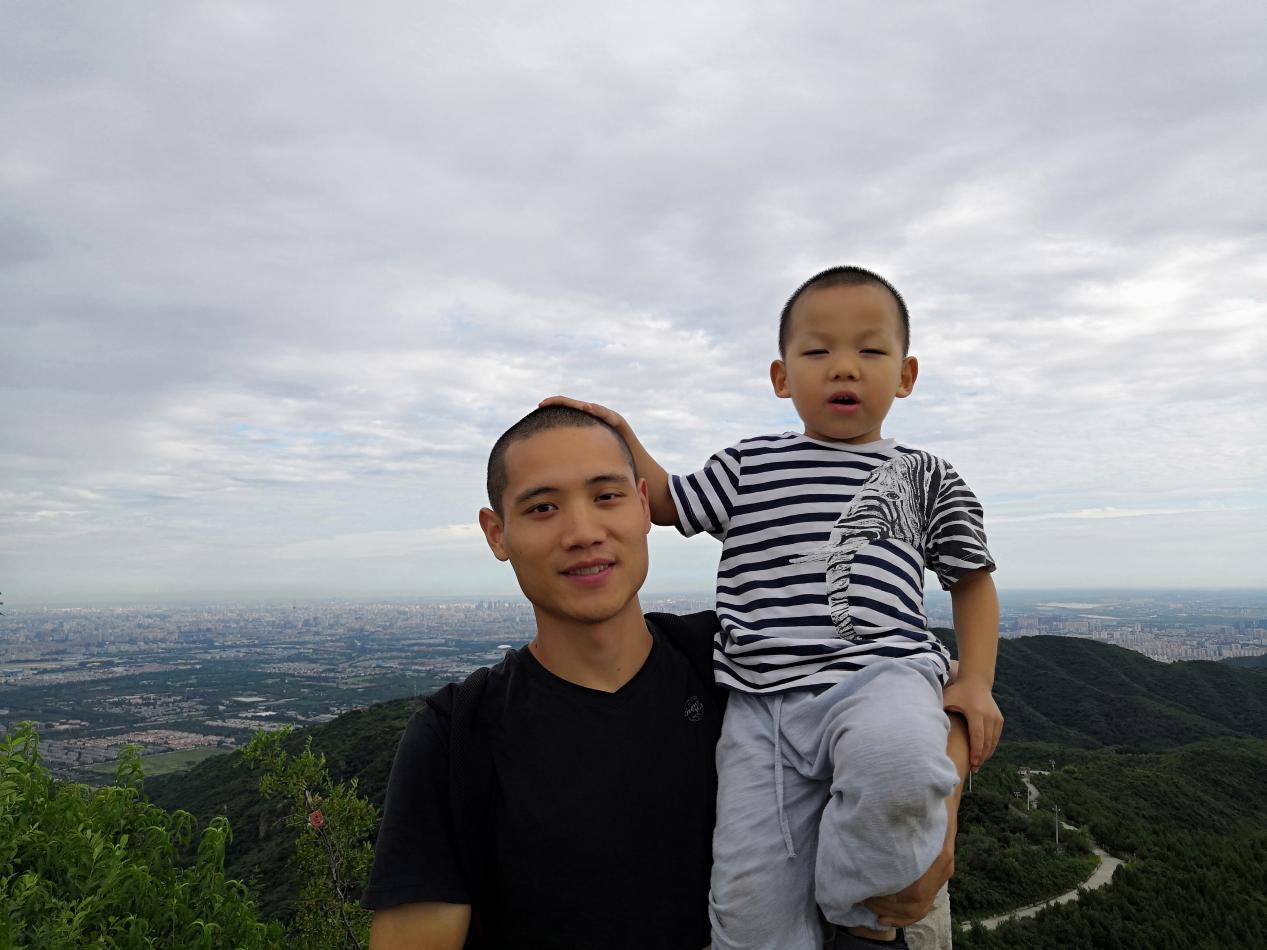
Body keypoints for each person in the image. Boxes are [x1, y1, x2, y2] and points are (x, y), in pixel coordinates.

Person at [363, 403, 964, 950]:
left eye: (607, 496)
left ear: (643, 506)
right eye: (542, 507)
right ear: (498, 533)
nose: (583, 532)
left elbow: (927, 687)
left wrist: (937, 821)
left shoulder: (742, 659)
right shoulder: (455, 736)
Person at [544, 265, 1002, 950]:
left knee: (899, 765)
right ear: (781, 377)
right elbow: (666, 502)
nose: (843, 367)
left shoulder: (926, 476)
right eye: (817, 351)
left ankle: (858, 921)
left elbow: (972, 579)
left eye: (869, 350)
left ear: (905, 375)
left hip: (883, 676)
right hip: (761, 705)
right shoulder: (749, 465)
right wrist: (620, 437)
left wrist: (975, 682)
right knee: (749, 909)